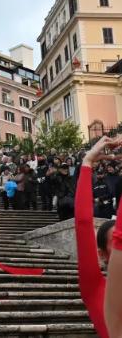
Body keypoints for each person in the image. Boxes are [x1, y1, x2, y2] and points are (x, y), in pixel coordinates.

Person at [76, 135, 121, 338]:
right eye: (117, 242)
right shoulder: (95, 288)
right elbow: (84, 223)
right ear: (102, 254)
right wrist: (87, 162)